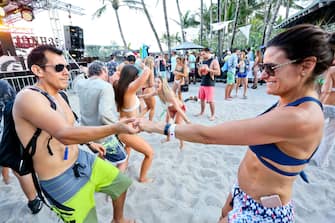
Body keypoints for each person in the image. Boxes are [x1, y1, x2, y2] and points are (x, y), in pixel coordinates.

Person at [137, 24, 335, 222]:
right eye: (262, 67)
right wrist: (234, 196)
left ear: (306, 66)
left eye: (271, 68)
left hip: (262, 212)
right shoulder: (290, 99)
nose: (262, 75)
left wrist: (152, 126)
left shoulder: (299, 117)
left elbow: (208, 136)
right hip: (244, 195)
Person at [14, 45, 138, 223]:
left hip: (81, 159)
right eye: (58, 68)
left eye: (66, 67)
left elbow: (72, 124)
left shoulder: (60, 95)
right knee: (88, 220)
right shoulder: (28, 97)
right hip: (59, 178)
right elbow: (63, 134)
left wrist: (90, 143)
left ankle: (118, 220)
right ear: (37, 70)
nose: (66, 72)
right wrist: (116, 127)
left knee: (121, 184)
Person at [75, 61, 129, 171]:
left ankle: (100, 179)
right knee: (123, 160)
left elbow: (77, 79)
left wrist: (85, 72)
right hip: (102, 133)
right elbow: (105, 114)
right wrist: (118, 126)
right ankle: (116, 187)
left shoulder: (80, 84)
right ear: (103, 70)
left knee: (101, 155)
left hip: (86, 132)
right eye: (107, 72)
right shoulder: (105, 86)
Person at [0, 79, 43, 214]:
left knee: (14, 166)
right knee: (21, 169)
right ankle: (33, 201)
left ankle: (6, 178)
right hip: (12, 139)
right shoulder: (11, 101)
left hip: (6, 141)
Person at [114, 64, 154, 183]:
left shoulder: (118, 85)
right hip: (127, 131)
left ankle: (121, 170)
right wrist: (144, 64)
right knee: (150, 153)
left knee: (128, 148)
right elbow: (146, 72)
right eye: (136, 76)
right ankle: (142, 178)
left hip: (123, 127)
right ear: (133, 77)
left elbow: (149, 83)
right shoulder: (129, 89)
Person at [139, 76, 191, 149]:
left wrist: (187, 120)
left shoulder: (169, 94)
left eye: (158, 82)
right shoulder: (157, 91)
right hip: (170, 109)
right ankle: (168, 138)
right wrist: (140, 96)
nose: (156, 84)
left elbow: (178, 108)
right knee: (167, 124)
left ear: (163, 84)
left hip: (179, 109)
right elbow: (148, 95)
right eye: (155, 81)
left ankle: (182, 143)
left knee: (178, 126)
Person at [311, 59, 335, 167]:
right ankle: (321, 161)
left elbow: (326, 90)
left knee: (312, 127)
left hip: (328, 104)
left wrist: (319, 103)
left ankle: (304, 152)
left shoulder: (332, 70)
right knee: (330, 136)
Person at [196, 47, 221, 121]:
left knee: (210, 100)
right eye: (201, 54)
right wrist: (199, 70)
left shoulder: (214, 61)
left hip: (210, 83)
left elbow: (218, 72)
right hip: (203, 82)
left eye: (203, 54)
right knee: (202, 99)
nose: (202, 55)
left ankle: (213, 115)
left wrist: (208, 69)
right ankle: (201, 112)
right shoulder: (203, 61)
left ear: (208, 52)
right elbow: (200, 75)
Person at [140, 56, 156, 121]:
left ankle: (137, 118)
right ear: (151, 62)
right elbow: (151, 84)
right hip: (148, 89)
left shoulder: (144, 70)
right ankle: (150, 122)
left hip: (143, 89)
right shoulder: (150, 71)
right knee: (153, 107)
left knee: (148, 107)